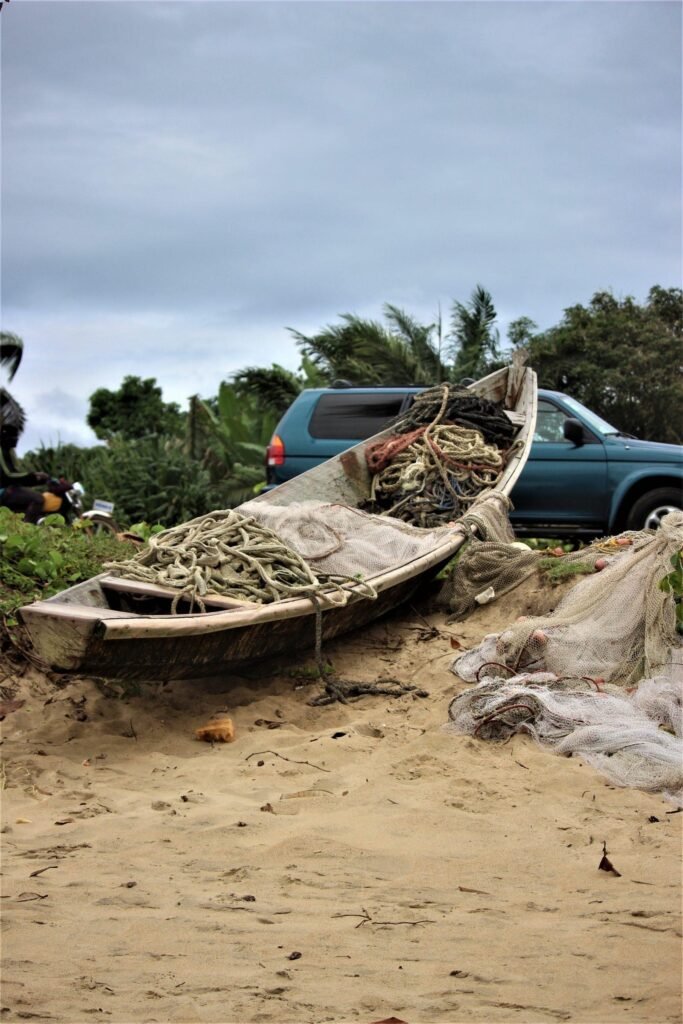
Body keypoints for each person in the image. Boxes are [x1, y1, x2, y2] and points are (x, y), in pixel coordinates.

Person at [0, 422, 51, 523]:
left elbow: (18, 477)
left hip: (9, 488)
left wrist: (38, 480)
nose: (16, 439)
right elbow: (7, 475)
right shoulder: (1, 450)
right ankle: (26, 530)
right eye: (14, 436)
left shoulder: (9, 451)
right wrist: (33, 475)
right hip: (3, 490)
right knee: (38, 499)